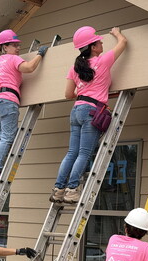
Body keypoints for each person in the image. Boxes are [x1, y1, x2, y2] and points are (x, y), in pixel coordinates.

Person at [50, 26, 127, 203]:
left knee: (72, 152)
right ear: (92, 47)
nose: (101, 43)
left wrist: (85, 92)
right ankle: (72, 190)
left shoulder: (75, 67)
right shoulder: (102, 61)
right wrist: (116, 33)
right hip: (91, 111)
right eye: (99, 41)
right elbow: (123, 42)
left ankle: (58, 189)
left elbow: (69, 94)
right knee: (84, 153)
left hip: (77, 110)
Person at [0, 29, 48, 181]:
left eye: (18, 45)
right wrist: (40, 54)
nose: (18, 48)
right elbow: (29, 68)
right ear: (5, 47)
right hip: (8, 101)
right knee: (6, 139)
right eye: (14, 45)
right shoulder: (13, 59)